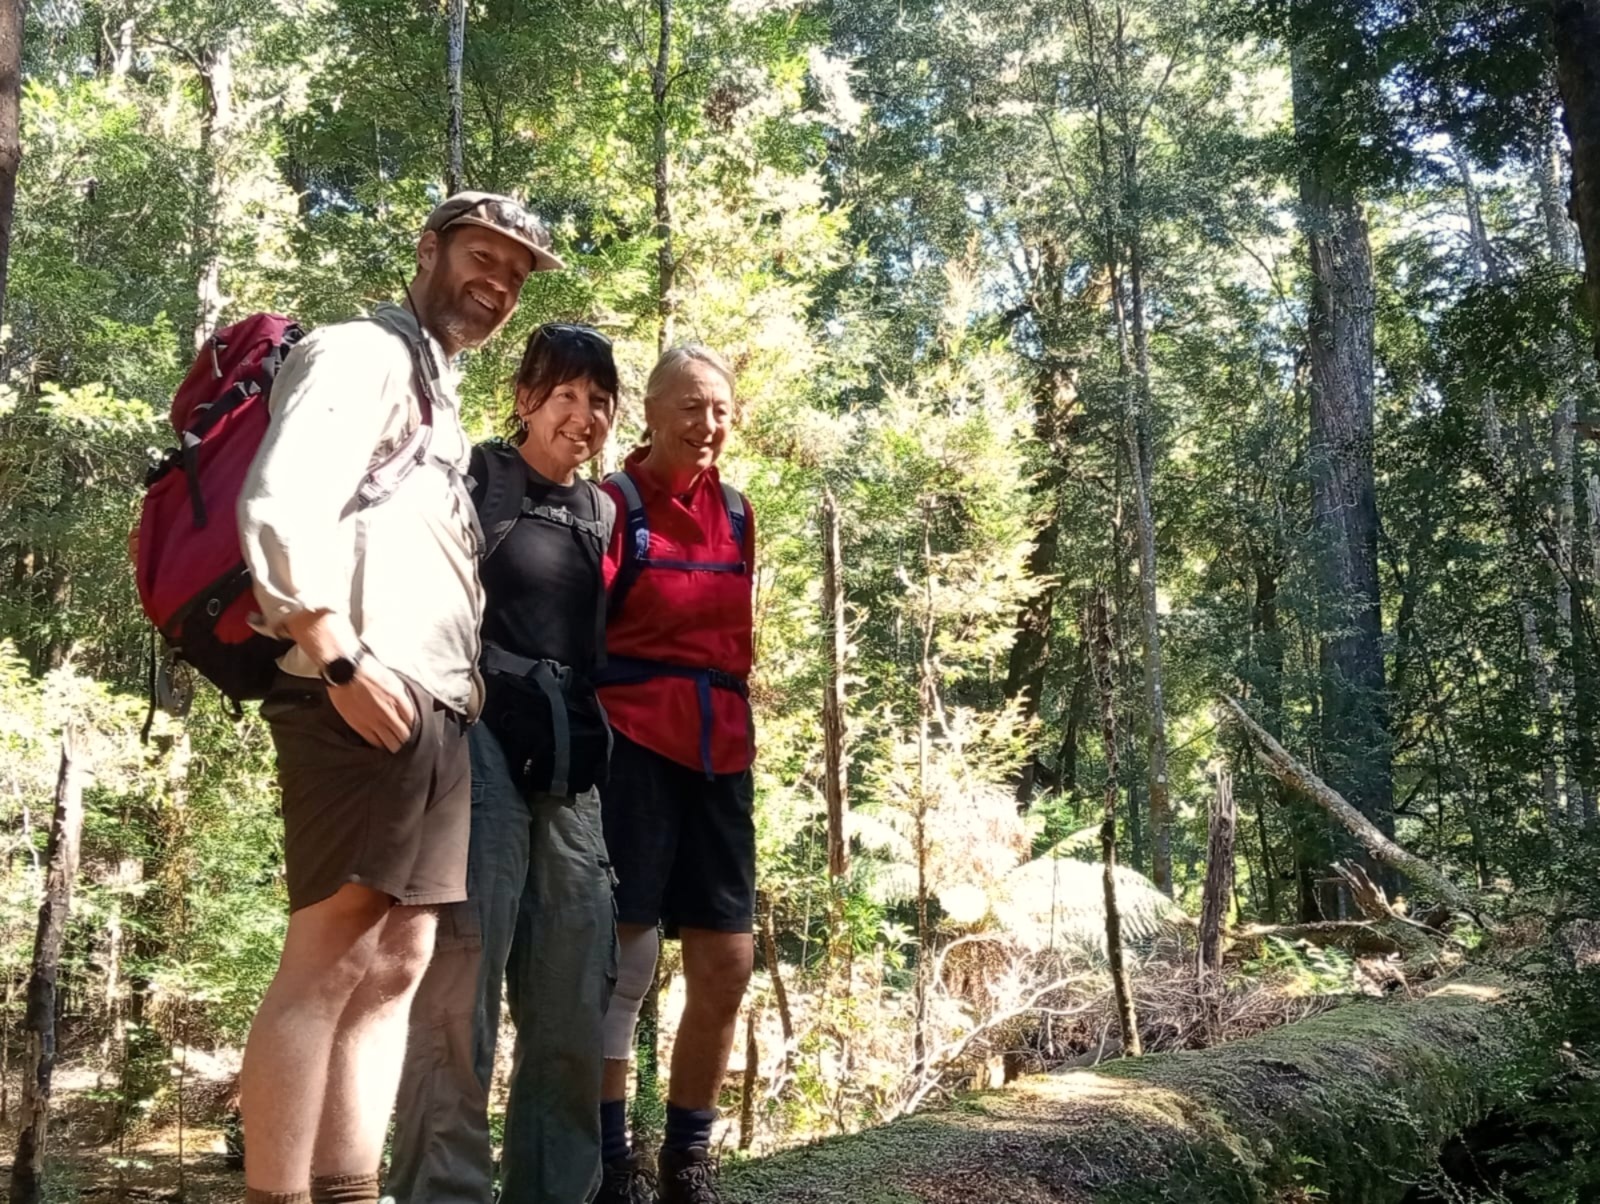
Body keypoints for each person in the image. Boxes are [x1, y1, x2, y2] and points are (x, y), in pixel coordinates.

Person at [235, 192, 561, 1204]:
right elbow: (281, 497)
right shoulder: (363, 353)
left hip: (430, 708)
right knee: (330, 956)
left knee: (396, 961)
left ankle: (347, 1190)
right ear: (427, 251)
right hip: (358, 691)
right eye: (481, 257)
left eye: (515, 274)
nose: (497, 284)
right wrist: (333, 651)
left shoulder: (434, 390)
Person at [389, 323, 622, 1204]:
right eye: (565, 395)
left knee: (571, 1003)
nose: (583, 415)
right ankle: (441, 1192)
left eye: (599, 400)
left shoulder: (601, 513)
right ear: (525, 399)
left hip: (570, 762)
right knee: (460, 996)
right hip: (476, 747)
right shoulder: (475, 478)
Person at [593, 345, 757, 1204]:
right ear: (651, 412)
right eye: (691, 407)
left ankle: (688, 1158)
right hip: (632, 745)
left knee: (727, 959)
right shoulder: (613, 506)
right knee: (625, 960)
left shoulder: (738, 511)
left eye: (720, 409)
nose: (708, 424)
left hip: (722, 750)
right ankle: (611, 1160)